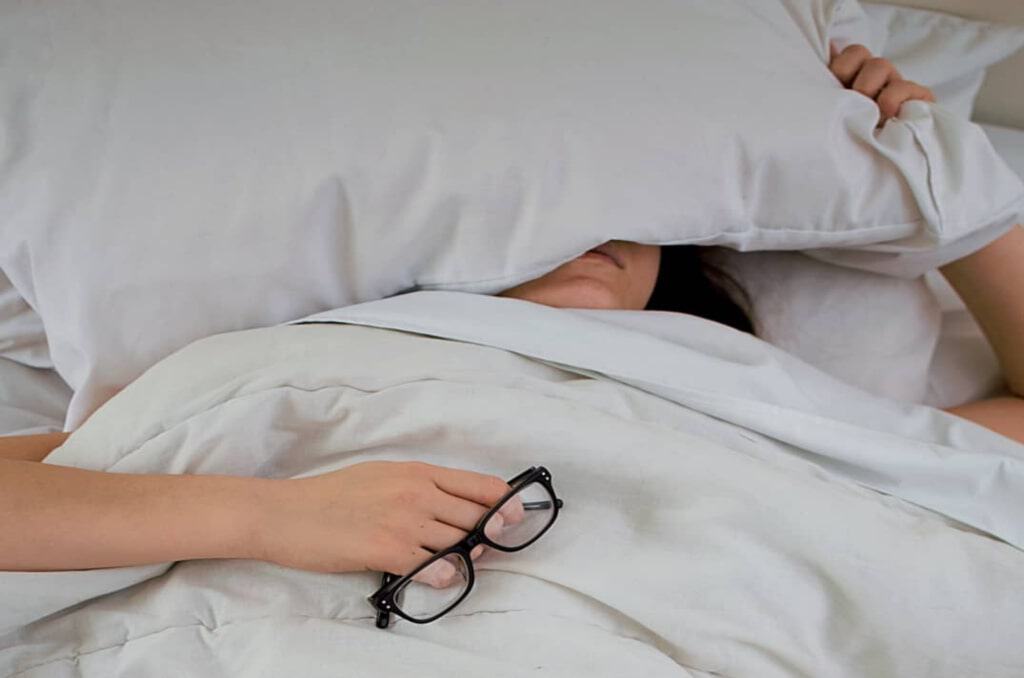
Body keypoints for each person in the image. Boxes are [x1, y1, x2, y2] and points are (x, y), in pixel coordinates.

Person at [0, 45, 1019, 585]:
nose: (587, 228)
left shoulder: (756, 394)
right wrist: (272, 515)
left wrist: (929, 167)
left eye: (623, 210)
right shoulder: (313, 366)